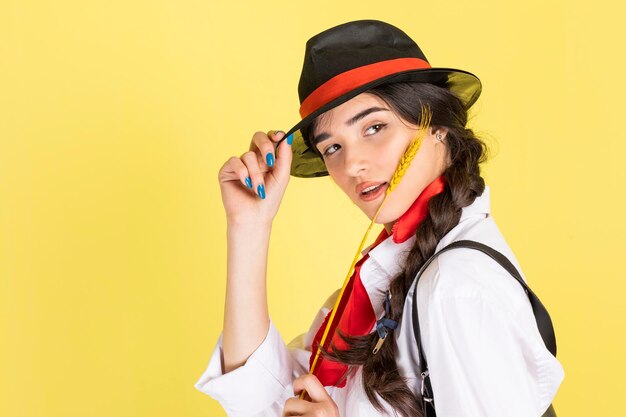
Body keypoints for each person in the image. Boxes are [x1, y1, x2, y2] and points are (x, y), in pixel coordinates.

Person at [194, 19, 565, 417]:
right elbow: (268, 403)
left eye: (374, 127)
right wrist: (248, 226)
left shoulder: (455, 286)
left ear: (436, 125)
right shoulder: (382, 279)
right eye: (333, 146)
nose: (352, 163)